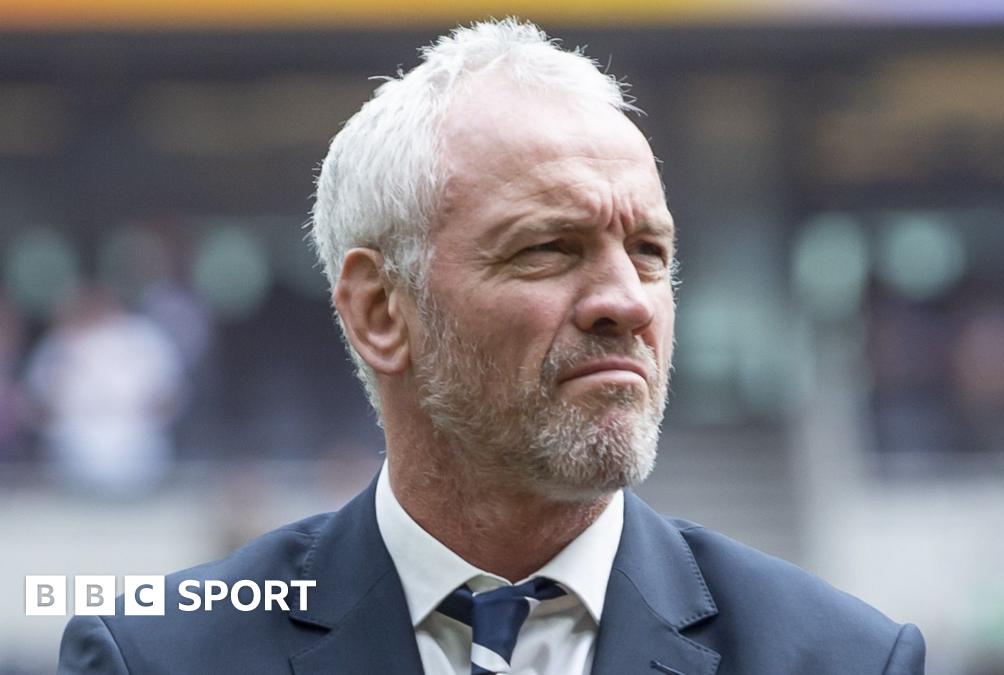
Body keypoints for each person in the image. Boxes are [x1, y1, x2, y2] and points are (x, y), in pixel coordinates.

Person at [59, 19, 924, 674]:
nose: (627, 300)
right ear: (381, 311)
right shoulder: (158, 657)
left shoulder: (844, 658)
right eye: (549, 248)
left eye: (650, 251)